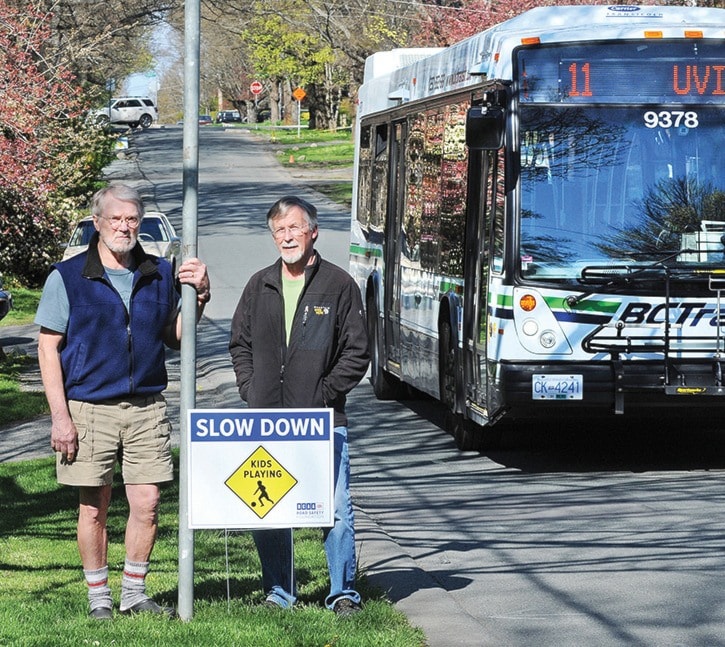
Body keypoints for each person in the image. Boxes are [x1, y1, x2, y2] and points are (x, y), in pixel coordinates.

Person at [35, 184, 211, 620]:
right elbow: (47, 348)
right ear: (97, 223)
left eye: (132, 219)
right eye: (115, 219)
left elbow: (175, 338)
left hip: (146, 406)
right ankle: (99, 598)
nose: (124, 226)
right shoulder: (68, 276)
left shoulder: (158, 273)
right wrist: (60, 417)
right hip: (88, 408)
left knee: (148, 503)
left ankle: (134, 593)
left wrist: (200, 298)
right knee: (94, 507)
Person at [229, 196, 369, 616]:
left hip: (323, 420)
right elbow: (240, 344)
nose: (287, 236)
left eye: (294, 228)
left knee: (335, 508)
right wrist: (251, 388)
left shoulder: (340, 285)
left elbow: (356, 352)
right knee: (268, 507)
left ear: (313, 232)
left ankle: (343, 593)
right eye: (279, 231)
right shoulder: (259, 285)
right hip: (266, 419)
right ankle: (279, 592)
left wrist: (324, 394)